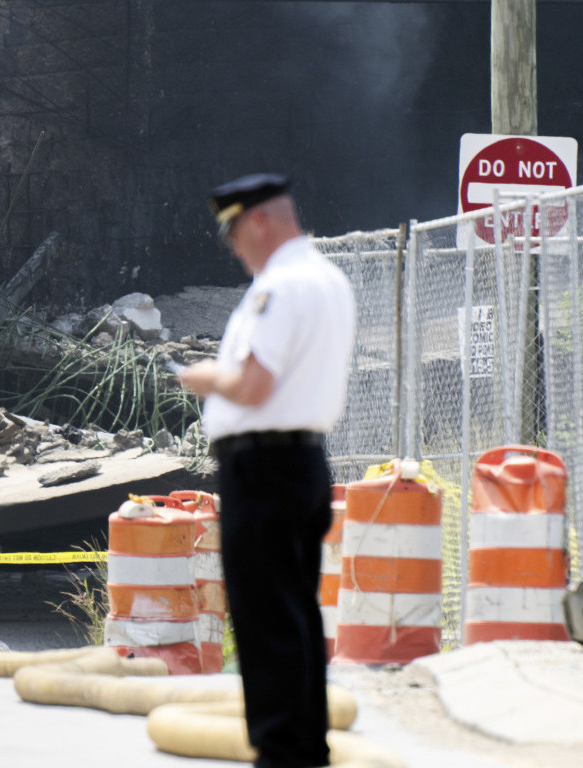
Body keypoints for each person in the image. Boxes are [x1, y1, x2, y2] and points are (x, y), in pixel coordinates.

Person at [177, 174, 355, 768]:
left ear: (258, 221)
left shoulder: (278, 287)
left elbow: (254, 384)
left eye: (233, 232)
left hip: (263, 465)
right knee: (295, 609)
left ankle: (280, 751)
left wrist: (203, 377)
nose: (232, 248)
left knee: (263, 617)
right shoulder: (328, 280)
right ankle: (305, 746)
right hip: (302, 461)